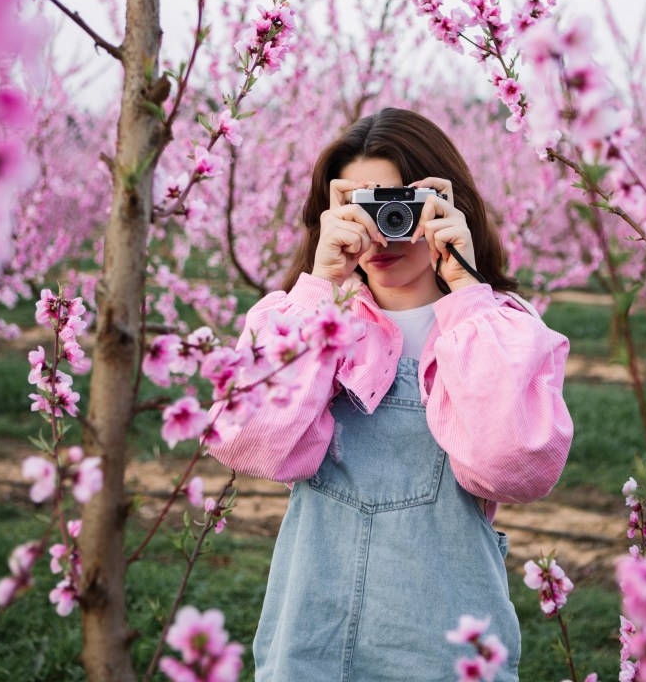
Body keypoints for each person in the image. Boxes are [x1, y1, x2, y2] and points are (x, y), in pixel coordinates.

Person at [207, 107, 573, 681]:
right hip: (312, 641)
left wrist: (467, 292)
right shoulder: (310, 324)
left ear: (448, 208)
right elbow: (250, 443)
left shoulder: (499, 329)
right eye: (363, 208)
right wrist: (318, 288)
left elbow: (512, 467)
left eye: (400, 207)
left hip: (447, 648)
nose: (384, 230)